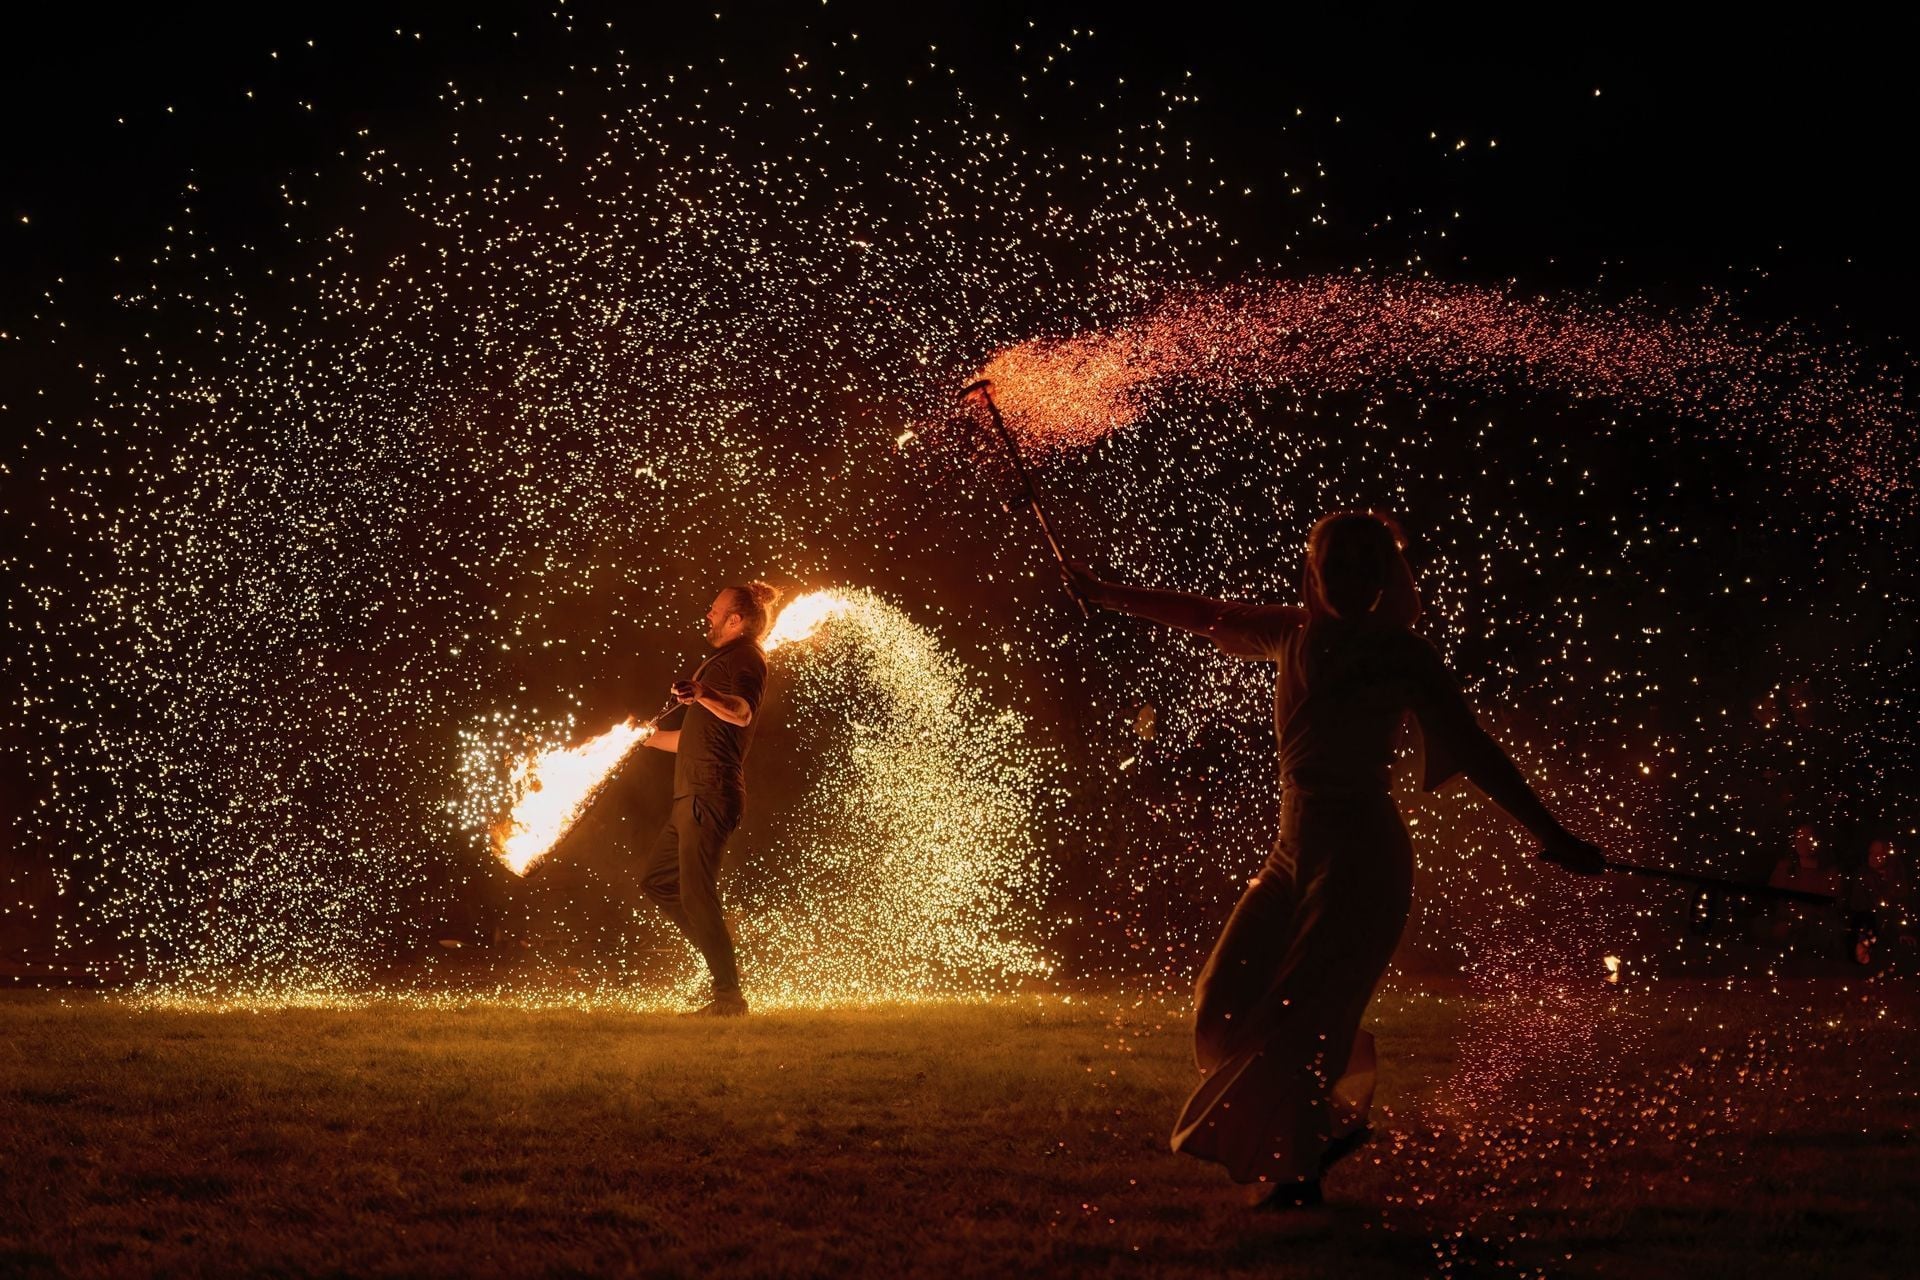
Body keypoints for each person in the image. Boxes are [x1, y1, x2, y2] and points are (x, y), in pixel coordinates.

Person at [1068, 512, 1607, 1210]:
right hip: (1291, 849)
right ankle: (1329, 1118)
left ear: (1386, 576)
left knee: (1297, 1019)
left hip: (1360, 856)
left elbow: (1474, 751)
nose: (1353, 578)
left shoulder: (1403, 657)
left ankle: (1298, 1179)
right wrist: (1109, 593)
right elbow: (1205, 614)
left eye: (1367, 565)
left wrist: (1554, 833)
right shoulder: (1290, 633)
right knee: (1220, 1002)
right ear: (1315, 569)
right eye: (1339, 564)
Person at [638, 581, 779, 1016]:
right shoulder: (719, 661)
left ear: (736, 620)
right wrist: (644, 738)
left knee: (698, 894)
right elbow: (689, 740)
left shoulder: (746, 658)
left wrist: (703, 694)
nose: (708, 615)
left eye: (715, 610)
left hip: (711, 791)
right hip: (690, 794)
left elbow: (740, 711)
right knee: (658, 881)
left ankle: (727, 996)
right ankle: (721, 962)